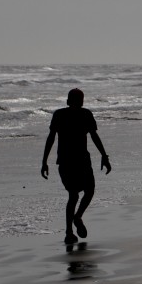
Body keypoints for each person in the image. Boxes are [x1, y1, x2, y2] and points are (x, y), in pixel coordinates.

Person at [41, 88, 111, 244]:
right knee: (87, 191)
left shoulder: (60, 114)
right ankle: (76, 219)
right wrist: (104, 156)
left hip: (68, 161)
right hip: (78, 160)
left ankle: (70, 231)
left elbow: (51, 138)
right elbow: (94, 136)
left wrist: (44, 161)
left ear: (68, 101)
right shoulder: (84, 114)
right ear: (81, 101)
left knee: (74, 195)